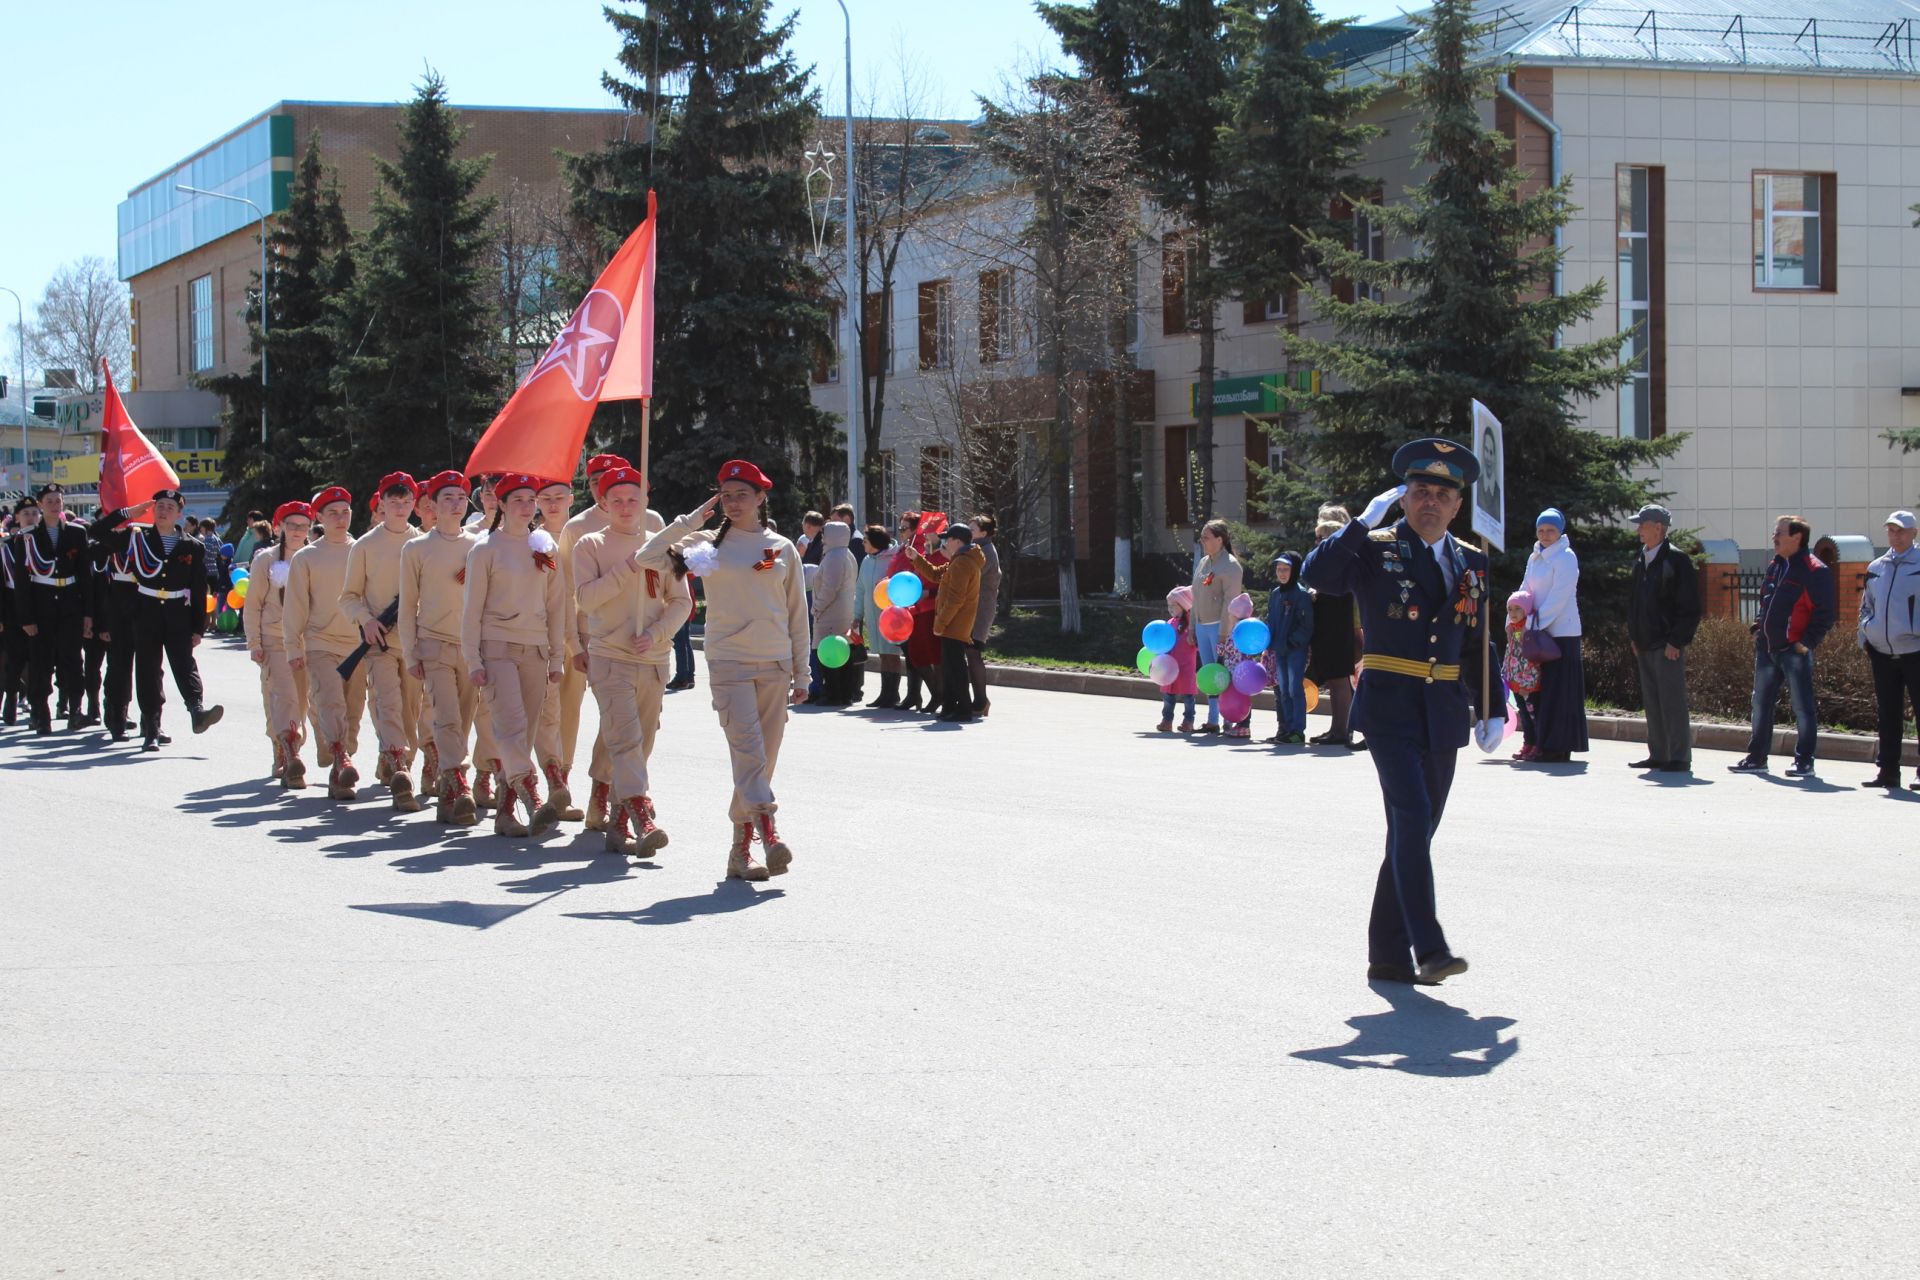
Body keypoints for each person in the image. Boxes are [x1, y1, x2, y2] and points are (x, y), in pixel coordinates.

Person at [1301, 438, 1502, 987]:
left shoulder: (1472, 560)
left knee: (1416, 832)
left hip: (1442, 712)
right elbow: (1317, 576)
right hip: (1389, 707)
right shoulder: (1376, 547)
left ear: (1458, 505)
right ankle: (1429, 947)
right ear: (1404, 498)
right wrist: (1358, 525)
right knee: (1411, 819)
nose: (1430, 501)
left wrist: (1492, 706)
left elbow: (1476, 639)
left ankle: (1387, 957)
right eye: (1419, 492)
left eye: (1442, 493)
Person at [639, 459, 810, 880]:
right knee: (749, 752)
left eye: (742, 495)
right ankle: (768, 830)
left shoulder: (782, 547)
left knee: (762, 760)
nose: (733, 503)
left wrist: (802, 672)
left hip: (775, 663)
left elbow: (797, 614)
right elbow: (647, 556)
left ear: (761, 498)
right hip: (729, 661)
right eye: (726, 494)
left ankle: (739, 850)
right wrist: (690, 520)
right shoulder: (706, 545)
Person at [572, 463, 693, 856]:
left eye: (633, 499)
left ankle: (617, 818)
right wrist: (627, 568)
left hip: (653, 658)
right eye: (617, 500)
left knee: (642, 741)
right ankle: (641, 813)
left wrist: (657, 633)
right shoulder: (589, 545)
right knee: (624, 739)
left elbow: (681, 602)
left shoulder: (665, 546)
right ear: (603, 503)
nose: (626, 507)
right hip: (609, 656)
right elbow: (586, 599)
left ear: (646, 501)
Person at [462, 474, 570, 838]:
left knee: (524, 734)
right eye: (518, 500)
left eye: (530, 499)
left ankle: (505, 812)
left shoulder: (546, 547)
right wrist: (473, 660)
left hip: (536, 649)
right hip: (497, 647)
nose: (527, 506)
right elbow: (471, 611)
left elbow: (557, 607)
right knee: (509, 724)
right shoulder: (485, 549)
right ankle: (532, 791)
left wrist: (557, 658)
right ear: (502, 505)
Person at [90, 491, 224, 751]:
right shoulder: (136, 536)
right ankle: (151, 728)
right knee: (148, 670)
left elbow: (198, 589)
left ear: (179, 514)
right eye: (159, 506)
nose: (163, 510)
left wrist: (198, 627)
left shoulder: (191, 546)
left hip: (177, 612)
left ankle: (197, 711)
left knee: (184, 663)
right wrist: (129, 512)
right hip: (146, 610)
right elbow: (97, 531)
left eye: (170, 507)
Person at [398, 472, 485, 825]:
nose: (456, 504)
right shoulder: (416, 548)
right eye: (447, 497)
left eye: (461, 498)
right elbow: (408, 605)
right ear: (432, 504)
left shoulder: (479, 546)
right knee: (446, 717)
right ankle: (460, 783)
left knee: (462, 722)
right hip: (432, 644)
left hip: (470, 647)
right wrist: (410, 651)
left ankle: (448, 793)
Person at [340, 472, 424, 812]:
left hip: (415, 642)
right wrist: (367, 620)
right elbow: (348, 597)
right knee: (386, 702)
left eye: (406, 502)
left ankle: (392, 759)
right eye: (393, 502)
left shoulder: (422, 542)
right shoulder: (365, 545)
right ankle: (398, 763)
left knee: (411, 711)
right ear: (381, 504)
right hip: (380, 643)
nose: (400, 508)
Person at [1729, 514, 1837, 777]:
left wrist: (1805, 643)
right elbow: (1765, 601)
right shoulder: (1776, 565)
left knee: (1803, 707)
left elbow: (1825, 613)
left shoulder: (1815, 570)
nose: (1774, 537)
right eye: (1774, 532)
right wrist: (1757, 628)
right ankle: (1757, 758)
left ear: (1797, 537)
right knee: (1761, 704)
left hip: (1794, 651)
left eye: (1780, 533)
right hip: (1767, 649)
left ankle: (1804, 762)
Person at [284, 486, 368, 800]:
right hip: (320, 643)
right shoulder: (307, 557)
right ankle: (339, 758)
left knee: (353, 711)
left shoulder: (362, 549)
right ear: (318, 517)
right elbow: (294, 607)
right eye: (332, 512)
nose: (340, 518)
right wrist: (294, 647)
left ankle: (338, 761)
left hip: (358, 645)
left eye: (345, 511)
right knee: (330, 701)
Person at [242, 502, 315, 787]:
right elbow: (253, 605)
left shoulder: (315, 557)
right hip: (275, 640)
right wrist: (254, 642)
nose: (297, 531)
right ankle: (286, 750)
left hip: (310, 640)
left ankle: (292, 743)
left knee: (303, 701)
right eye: (292, 525)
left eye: (303, 526)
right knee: (282, 697)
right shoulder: (266, 560)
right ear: (280, 527)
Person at [1625, 504, 1701, 774]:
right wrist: (1634, 636)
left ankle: (1679, 757)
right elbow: (1635, 601)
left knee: (1672, 701)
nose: (1638, 530)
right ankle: (1658, 754)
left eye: (1642, 524)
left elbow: (1689, 607)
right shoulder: (1642, 557)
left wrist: (1676, 641)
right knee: (1653, 701)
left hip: (1667, 644)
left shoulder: (1676, 560)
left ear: (1658, 527)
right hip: (1645, 643)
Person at [12, 484, 94, 734]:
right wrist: (26, 617)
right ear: (40, 504)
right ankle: (41, 713)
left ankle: (75, 710)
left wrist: (88, 613)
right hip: (41, 605)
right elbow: (22, 581)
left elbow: (85, 575)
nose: (55, 504)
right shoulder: (26, 537)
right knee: (41, 662)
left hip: (70, 603)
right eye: (49, 501)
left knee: (72, 660)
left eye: (58, 500)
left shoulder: (76, 533)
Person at [1511, 508, 1587, 764]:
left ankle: (1558, 747)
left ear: (1560, 532)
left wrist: (1534, 622)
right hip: (1537, 632)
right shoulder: (1535, 557)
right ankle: (1543, 743)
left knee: (1559, 691)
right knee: (1541, 692)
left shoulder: (1566, 557)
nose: (1545, 535)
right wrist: (1515, 617)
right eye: (1541, 530)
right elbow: (1525, 589)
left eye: (1550, 530)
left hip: (1561, 633)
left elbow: (1560, 596)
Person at [529, 477, 585, 821]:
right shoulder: (533, 539)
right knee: (544, 713)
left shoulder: (581, 535)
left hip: (578, 635)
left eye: (559, 497)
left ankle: (562, 780)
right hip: (543, 635)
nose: (552, 504)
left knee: (570, 711)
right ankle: (547, 782)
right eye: (545, 498)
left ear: (570, 498)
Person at [1858, 510, 1920, 790]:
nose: (1896, 535)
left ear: (1914, 534)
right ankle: (1888, 772)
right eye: (1892, 531)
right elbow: (1865, 605)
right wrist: (1867, 636)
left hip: (1915, 651)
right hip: (1882, 652)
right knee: (1888, 713)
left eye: (1902, 531)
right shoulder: (1877, 567)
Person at [906, 524, 986, 722]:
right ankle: (950, 706)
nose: (944, 542)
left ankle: (963, 709)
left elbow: (956, 599)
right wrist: (916, 558)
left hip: (955, 624)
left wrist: (940, 623)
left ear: (957, 541)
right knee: (950, 667)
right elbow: (934, 574)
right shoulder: (958, 561)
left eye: (947, 539)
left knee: (955, 668)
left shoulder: (962, 564)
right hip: (952, 623)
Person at [1305, 507, 1361, 749]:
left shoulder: (1335, 561)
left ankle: (1341, 731)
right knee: (1336, 679)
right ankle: (1338, 728)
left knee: (1339, 679)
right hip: (1332, 625)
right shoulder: (1335, 559)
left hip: (1338, 626)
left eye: (1320, 538)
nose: (1317, 542)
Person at [1190, 519, 1244, 733]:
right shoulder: (1204, 562)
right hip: (1202, 626)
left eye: (1206, 537)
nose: (1202, 541)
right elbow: (1196, 595)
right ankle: (1212, 719)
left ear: (1220, 540)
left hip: (1219, 628)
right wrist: (1193, 626)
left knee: (1223, 673)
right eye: (1202, 537)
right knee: (1209, 673)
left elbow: (1230, 603)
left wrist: (1224, 632)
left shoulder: (1230, 566)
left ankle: (1228, 718)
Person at [1264, 551, 1314, 745]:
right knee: (1283, 690)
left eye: (1286, 569)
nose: (1282, 573)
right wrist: (1268, 644)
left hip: (1295, 649)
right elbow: (1272, 621)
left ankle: (1297, 730)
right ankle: (1285, 729)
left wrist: (1294, 641)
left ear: (1294, 571)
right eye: (1279, 569)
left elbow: (1307, 624)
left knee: (1294, 689)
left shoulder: (1301, 594)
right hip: (1279, 650)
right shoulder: (1276, 594)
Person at [808, 517, 859, 706]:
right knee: (842, 656)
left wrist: (817, 607)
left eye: (825, 534)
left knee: (828, 656)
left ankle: (833, 694)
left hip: (830, 614)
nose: (823, 538)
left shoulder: (834, 557)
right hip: (843, 612)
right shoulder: (846, 554)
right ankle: (844, 693)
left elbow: (830, 587)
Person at [858, 526, 902, 707]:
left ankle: (894, 693)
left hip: (891, 616)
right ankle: (885, 693)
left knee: (892, 654)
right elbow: (860, 589)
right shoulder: (866, 561)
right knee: (883, 654)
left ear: (875, 542)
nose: (863, 543)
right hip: (873, 615)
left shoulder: (894, 558)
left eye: (865, 540)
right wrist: (857, 615)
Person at [966, 514, 1001, 718]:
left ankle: (980, 700)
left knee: (973, 651)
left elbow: (970, 575)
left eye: (972, 529)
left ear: (984, 532)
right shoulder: (977, 549)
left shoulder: (985, 551)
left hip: (981, 610)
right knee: (970, 652)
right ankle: (977, 699)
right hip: (973, 608)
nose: (969, 532)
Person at [1156, 584, 1199, 733]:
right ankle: (1166, 720)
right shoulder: (1169, 623)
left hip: (1186, 666)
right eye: (1168, 605)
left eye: (1173, 605)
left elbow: (1198, 645)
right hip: (1169, 667)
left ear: (1184, 605)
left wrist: (1194, 640)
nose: (1170, 609)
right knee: (1168, 696)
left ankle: (1188, 721)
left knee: (1188, 697)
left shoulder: (1192, 625)